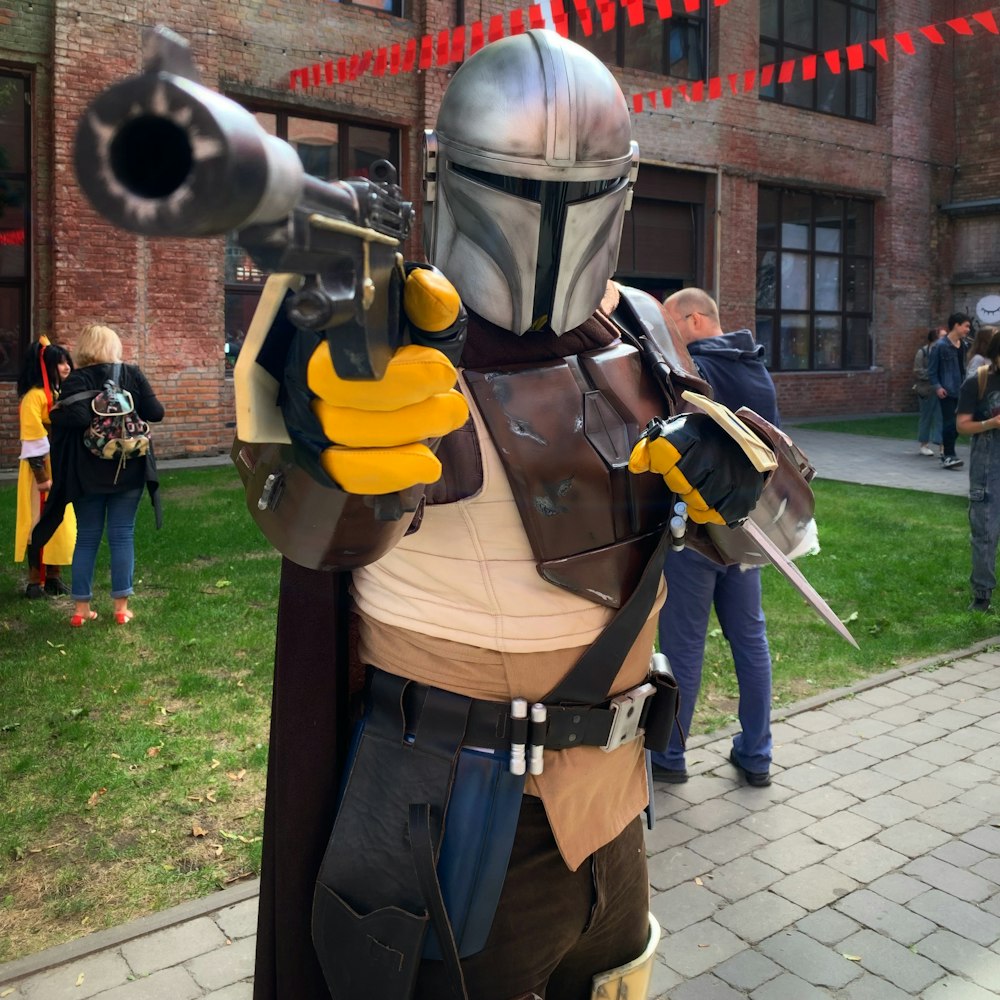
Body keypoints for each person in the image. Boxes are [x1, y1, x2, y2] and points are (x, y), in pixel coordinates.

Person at [227, 31, 814, 1000]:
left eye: (577, 195)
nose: (544, 225)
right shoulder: (378, 326)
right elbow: (312, 523)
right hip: (446, 804)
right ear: (444, 177)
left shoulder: (640, 322)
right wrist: (318, 417)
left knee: (615, 979)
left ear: (620, 192)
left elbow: (765, 540)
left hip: (611, 796)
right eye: (517, 190)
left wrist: (736, 480)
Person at [647, 289, 778, 789]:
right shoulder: (755, 366)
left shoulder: (696, 370)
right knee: (750, 640)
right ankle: (757, 754)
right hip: (750, 529)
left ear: (694, 319)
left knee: (683, 644)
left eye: (671, 324)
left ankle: (670, 755)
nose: (669, 336)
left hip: (698, 532)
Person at [32, 323, 164, 627]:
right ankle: (121, 608)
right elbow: (156, 412)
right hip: (128, 467)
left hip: (87, 472)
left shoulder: (76, 379)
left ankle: (81, 610)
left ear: (84, 349)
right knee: (122, 534)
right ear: (114, 346)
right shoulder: (131, 374)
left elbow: (70, 418)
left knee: (87, 537)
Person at [14, 338, 77, 598]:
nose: (66, 367)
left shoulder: (59, 394)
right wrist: (41, 477)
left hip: (61, 467)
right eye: (59, 363)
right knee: (38, 522)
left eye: (67, 362)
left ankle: (54, 576)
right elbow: (32, 437)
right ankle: (34, 580)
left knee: (60, 522)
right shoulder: (34, 397)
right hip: (41, 473)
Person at [956, 326, 1000, 612]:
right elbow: (962, 426)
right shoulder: (979, 381)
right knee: (984, 535)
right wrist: (991, 424)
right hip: (988, 471)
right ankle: (982, 595)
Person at [927, 312, 972, 470]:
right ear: (956, 325)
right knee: (949, 423)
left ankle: (947, 453)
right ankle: (949, 455)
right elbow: (931, 371)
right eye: (966, 326)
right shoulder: (940, 346)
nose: (968, 329)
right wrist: (938, 387)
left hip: (963, 390)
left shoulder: (965, 346)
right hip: (947, 390)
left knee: (960, 424)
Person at [913, 329, 943, 458]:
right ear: (934, 339)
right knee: (926, 416)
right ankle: (924, 445)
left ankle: (942, 445)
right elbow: (917, 370)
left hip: (941, 389)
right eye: (942, 337)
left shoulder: (944, 352)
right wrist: (932, 376)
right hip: (926, 389)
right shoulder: (923, 352)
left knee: (941, 417)